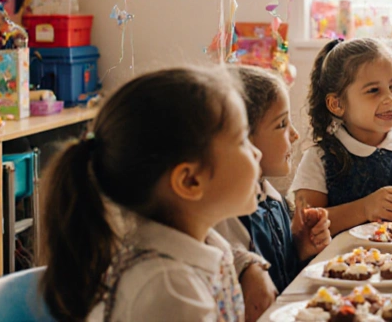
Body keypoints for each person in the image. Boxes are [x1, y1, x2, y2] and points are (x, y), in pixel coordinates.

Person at [41, 67, 262, 322]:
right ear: (189, 181)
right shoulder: (169, 290)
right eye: (243, 139)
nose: (257, 154)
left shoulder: (210, 245)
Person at [291, 38, 392, 234]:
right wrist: (363, 209)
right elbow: (304, 228)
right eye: (373, 90)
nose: (389, 98)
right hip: (347, 263)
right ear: (337, 104)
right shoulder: (321, 158)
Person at [216, 66, 331, 322]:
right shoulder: (225, 219)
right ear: (240, 138)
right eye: (281, 124)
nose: (294, 133)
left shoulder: (274, 200)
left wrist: (300, 248)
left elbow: (284, 283)